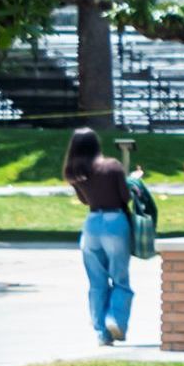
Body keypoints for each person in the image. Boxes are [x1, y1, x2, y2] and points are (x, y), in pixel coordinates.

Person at [65, 127, 140, 345]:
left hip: (91, 225)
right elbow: (123, 196)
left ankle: (101, 333)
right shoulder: (112, 166)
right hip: (114, 222)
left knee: (97, 283)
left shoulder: (74, 173)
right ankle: (114, 318)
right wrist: (132, 181)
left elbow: (85, 201)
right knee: (120, 279)